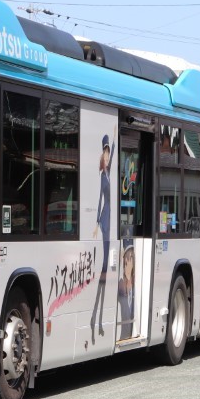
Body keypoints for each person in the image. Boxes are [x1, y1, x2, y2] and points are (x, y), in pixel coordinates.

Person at [91, 130, 115, 345]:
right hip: (105, 221)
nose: (107, 157)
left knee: (106, 268)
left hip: (109, 220)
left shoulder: (108, 173)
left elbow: (115, 148)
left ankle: (97, 320)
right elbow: (99, 200)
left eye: (108, 153)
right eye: (105, 153)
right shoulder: (102, 175)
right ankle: (96, 319)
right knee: (105, 267)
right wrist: (97, 225)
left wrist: (114, 135)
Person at [117, 244, 135, 339]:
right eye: (125, 263)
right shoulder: (121, 283)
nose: (126, 266)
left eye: (128, 262)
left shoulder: (136, 286)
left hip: (131, 331)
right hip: (123, 334)